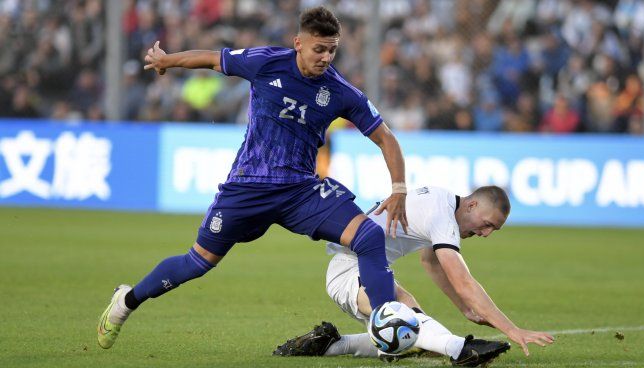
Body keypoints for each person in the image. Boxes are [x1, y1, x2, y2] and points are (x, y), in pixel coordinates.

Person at [97, 6, 409, 349]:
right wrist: (168, 60)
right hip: (248, 186)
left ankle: (383, 328)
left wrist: (399, 189)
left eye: (332, 50)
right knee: (197, 263)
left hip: (300, 190)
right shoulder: (266, 62)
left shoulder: (341, 91)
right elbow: (213, 59)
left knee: (367, 236)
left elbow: (386, 138)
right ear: (298, 44)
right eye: (319, 49)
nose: (325, 58)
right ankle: (126, 302)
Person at [274, 186, 555, 366]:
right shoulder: (442, 215)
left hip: (366, 268)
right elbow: (464, 281)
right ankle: (462, 351)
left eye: (493, 230)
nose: (485, 234)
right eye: (487, 224)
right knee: (405, 321)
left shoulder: (442, 204)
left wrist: (464, 309)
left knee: (410, 335)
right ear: (471, 206)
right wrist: (511, 329)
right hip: (349, 268)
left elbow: (430, 261)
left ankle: (330, 344)